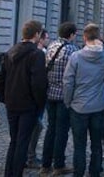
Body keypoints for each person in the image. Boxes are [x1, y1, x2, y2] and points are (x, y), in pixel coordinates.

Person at [0, 20, 48, 177]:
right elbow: (38, 83)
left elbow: (1, 78)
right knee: (23, 141)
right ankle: (16, 173)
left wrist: (4, 98)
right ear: (37, 34)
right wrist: (40, 103)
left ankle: (9, 173)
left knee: (14, 140)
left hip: (12, 102)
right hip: (28, 104)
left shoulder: (11, 51)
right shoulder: (37, 54)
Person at [63, 24, 104, 177]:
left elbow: (68, 82)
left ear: (84, 37)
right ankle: (94, 173)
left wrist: (68, 101)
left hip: (79, 106)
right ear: (98, 38)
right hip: (99, 105)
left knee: (79, 145)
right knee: (97, 145)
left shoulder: (76, 56)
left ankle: (78, 173)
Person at [41, 22, 79, 176]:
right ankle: (59, 164)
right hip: (64, 96)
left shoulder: (50, 46)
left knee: (51, 129)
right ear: (71, 34)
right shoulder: (72, 50)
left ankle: (45, 164)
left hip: (50, 94)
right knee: (62, 131)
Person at [26, 30, 50, 170]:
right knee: (36, 126)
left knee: (35, 126)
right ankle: (30, 157)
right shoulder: (39, 53)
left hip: (36, 97)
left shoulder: (44, 51)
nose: (48, 40)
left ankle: (29, 155)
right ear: (39, 38)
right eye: (46, 38)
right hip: (36, 97)